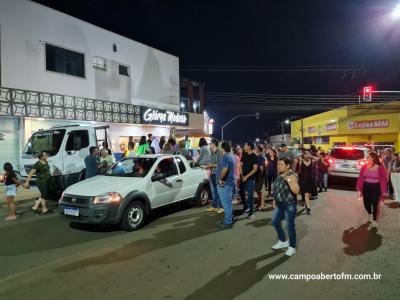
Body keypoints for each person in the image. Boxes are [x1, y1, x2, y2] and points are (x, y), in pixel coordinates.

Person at [271, 158, 300, 257]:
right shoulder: (279, 175)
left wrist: (288, 180)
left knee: (290, 226)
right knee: (275, 221)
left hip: (289, 205)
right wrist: (275, 199)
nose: (279, 166)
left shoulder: (292, 175)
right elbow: (277, 188)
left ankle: (292, 247)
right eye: (278, 164)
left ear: (288, 166)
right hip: (280, 204)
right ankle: (283, 240)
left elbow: (296, 191)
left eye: (281, 164)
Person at [357, 152, 388, 228]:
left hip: (376, 187)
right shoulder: (364, 166)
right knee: (366, 203)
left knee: (375, 204)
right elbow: (360, 177)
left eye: (368, 157)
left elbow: (384, 179)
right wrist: (359, 189)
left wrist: (384, 190)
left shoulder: (380, 167)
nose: (367, 158)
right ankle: (370, 213)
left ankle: (374, 220)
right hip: (366, 187)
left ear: (373, 158)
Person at [216, 141, 236, 230]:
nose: (219, 148)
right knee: (228, 202)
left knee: (226, 203)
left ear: (222, 148)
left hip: (225, 183)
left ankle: (228, 222)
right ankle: (229, 219)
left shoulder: (225, 157)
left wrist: (220, 179)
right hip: (230, 182)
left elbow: (225, 169)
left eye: (220, 147)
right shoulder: (231, 155)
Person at [240, 141, 258, 218]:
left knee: (250, 196)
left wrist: (246, 176)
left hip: (250, 179)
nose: (244, 146)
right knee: (241, 193)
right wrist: (241, 175)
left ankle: (251, 212)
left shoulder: (254, 156)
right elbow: (240, 165)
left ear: (249, 147)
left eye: (245, 145)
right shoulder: (244, 155)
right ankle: (246, 207)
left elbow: (255, 169)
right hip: (242, 178)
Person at [205, 139, 223, 213]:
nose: (210, 145)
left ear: (214, 144)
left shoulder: (219, 153)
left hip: (217, 174)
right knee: (214, 191)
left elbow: (221, 164)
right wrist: (208, 166)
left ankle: (221, 207)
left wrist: (211, 165)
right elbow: (209, 163)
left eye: (210, 143)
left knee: (219, 191)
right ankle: (214, 206)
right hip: (212, 173)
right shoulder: (211, 153)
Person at [298, 150, 314, 215]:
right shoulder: (301, 160)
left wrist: (310, 156)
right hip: (302, 180)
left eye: (308, 154)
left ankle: (307, 207)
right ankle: (307, 207)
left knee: (307, 194)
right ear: (303, 155)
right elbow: (297, 156)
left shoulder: (312, 161)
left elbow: (318, 158)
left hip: (310, 180)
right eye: (306, 154)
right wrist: (302, 155)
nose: (307, 155)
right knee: (305, 194)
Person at [255, 145, 267, 211]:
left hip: (260, 176)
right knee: (258, 189)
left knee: (261, 190)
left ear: (258, 150)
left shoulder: (261, 157)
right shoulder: (260, 156)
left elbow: (261, 168)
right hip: (259, 176)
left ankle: (262, 205)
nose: (255, 149)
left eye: (256, 148)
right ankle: (261, 202)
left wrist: (260, 176)